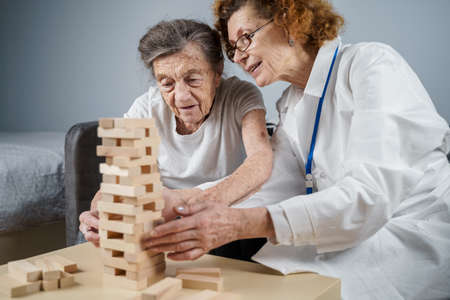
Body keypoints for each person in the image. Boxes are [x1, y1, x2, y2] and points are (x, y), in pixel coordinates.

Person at [143, 1, 450, 299]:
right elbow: (272, 183)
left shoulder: (372, 65)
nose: (238, 57)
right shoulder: (291, 104)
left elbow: (369, 197)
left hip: (412, 234)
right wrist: (179, 202)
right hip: (353, 232)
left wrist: (238, 224)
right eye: (233, 48)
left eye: (245, 38)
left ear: (289, 20)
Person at [78, 19, 273, 250]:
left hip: (222, 218)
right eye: (167, 83)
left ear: (217, 71)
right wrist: (98, 212)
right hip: (161, 222)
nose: (181, 97)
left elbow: (260, 162)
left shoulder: (240, 95)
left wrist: (186, 203)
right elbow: (116, 183)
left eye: (192, 79)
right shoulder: (143, 109)